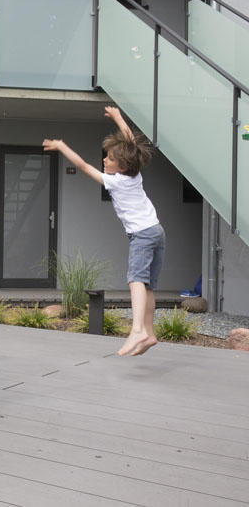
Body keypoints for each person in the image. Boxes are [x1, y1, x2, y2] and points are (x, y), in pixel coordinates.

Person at [42, 106, 164, 356]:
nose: (104, 160)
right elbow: (131, 144)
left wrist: (62, 146)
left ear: (122, 166)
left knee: (136, 280)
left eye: (109, 159)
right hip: (156, 231)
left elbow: (84, 166)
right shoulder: (135, 175)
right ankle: (150, 333)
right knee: (147, 286)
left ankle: (138, 330)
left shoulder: (115, 181)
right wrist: (119, 118)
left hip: (142, 235)